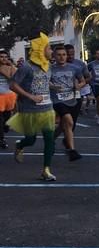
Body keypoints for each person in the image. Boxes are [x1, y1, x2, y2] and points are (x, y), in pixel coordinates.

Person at [8, 31, 58, 181]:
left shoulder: (48, 66)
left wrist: (54, 87)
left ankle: (46, 170)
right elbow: (13, 85)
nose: (51, 51)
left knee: (50, 139)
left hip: (47, 109)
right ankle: (20, 145)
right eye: (49, 48)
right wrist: (31, 97)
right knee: (31, 139)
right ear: (40, 50)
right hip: (30, 110)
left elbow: (43, 81)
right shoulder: (26, 67)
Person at [49, 45, 85, 161]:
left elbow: (83, 80)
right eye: (59, 55)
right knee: (68, 121)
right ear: (54, 56)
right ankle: (72, 151)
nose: (62, 57)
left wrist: (79, 86)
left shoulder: (74, 68)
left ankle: (50, 140)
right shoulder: (50, 69)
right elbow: (45, 82)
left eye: (63, 54)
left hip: (72, 99)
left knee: (64, 125)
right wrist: (53, 86)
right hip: (57, 100)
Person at [0, 49, 17, 150]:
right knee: (0, 118)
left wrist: (11, 66)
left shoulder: (10, 67)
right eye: (1, 57)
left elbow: (15, 78)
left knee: (7, 117)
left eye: (6, 57)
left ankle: (5, 127)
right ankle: (1, 139)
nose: (4, 59)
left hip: (9, 96)